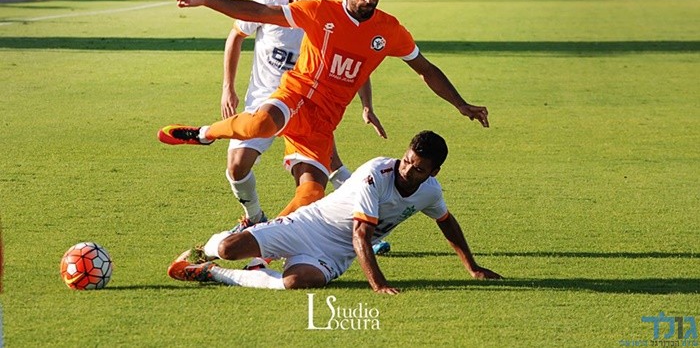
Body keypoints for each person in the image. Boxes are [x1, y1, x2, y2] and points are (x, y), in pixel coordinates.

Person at [159, 0, 489, 226]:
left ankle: (260, 245)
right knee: (259, 125)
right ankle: (205, 134)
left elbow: (425, 69)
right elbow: (258, 12)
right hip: (295, 95)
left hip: (323, 121)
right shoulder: (319, 11)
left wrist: (460, 104)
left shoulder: (389, 30)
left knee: (311, 195)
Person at [167, 131, 502, 293]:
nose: (407, 171)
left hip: (336, 254)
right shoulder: (376, 173)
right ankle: (207, 248)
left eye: (418, 169)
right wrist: (378, 284)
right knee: (229, 248)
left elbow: (446, 222)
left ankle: (211, 273)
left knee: (296, 282)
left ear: (433, 172)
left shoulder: (430, 192)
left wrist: (472, 268)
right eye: (406, 161)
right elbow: (361, 234)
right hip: (308, 225)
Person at [214, 0, 385, 233]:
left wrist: (367, 105)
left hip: (310, 105)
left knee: (324, 174)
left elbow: (357, 63)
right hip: (266, 102)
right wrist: (227, 88)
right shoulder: (270, 3)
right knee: (236, 166)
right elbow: (236, 36)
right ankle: (254, 217)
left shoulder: (333, 15)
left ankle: (365, 230)